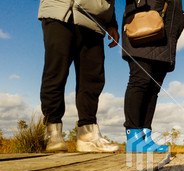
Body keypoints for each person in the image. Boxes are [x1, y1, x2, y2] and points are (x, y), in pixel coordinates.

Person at [38, 0, 121, 152]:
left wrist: (112, 23)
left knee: (92, 79)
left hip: (95, 21)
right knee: (56, 73)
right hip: (61, 13)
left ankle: (88, 137)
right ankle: (53, 133)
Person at [122, 0, 184, 152]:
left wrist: (181, 16)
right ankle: (134, 137)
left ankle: (146, 136)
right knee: (140, 81)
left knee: (153, 88)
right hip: (144, 24)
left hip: (166, 32)